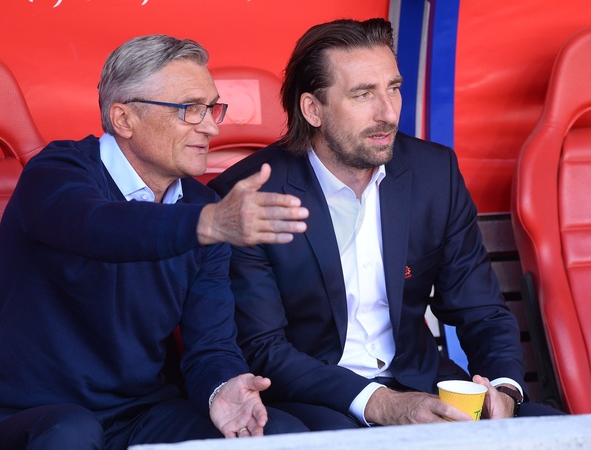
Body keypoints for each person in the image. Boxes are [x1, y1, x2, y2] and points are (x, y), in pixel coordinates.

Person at [208, 18, 563, 430]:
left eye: (393, 88)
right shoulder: (246, 195)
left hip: (423, 383)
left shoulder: (434, 173)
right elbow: (264, 348)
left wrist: (504, 390)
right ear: (313, 109)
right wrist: (380, 404)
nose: (388, 113)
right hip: (313, 400)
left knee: (554, 431)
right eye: (363, 94)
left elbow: (481, 310)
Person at [0, 34, 311, 450]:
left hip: (139, 416)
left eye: (212, 108)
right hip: (29, 418)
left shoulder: (204, 208)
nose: (211, 127)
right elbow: (96, 226)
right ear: (124, 119)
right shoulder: (55, 171)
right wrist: (207, 224)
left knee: (281, 433)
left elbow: (210, 346)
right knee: (72, 432)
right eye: (189, 109)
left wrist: (223, 388)